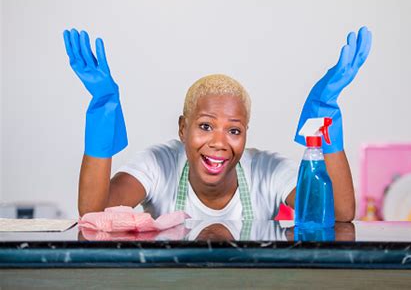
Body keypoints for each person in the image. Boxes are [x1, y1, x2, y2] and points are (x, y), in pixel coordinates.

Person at [63, 27, 372, 222]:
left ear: (246, 134)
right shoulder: (160, 164)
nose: (219, 142)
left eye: (234, 130)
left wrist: (324, 112)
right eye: (206, 126)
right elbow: (93, 212)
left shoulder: (266, 171)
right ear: (183, 128)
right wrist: (104, 111)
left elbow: (340, 215)